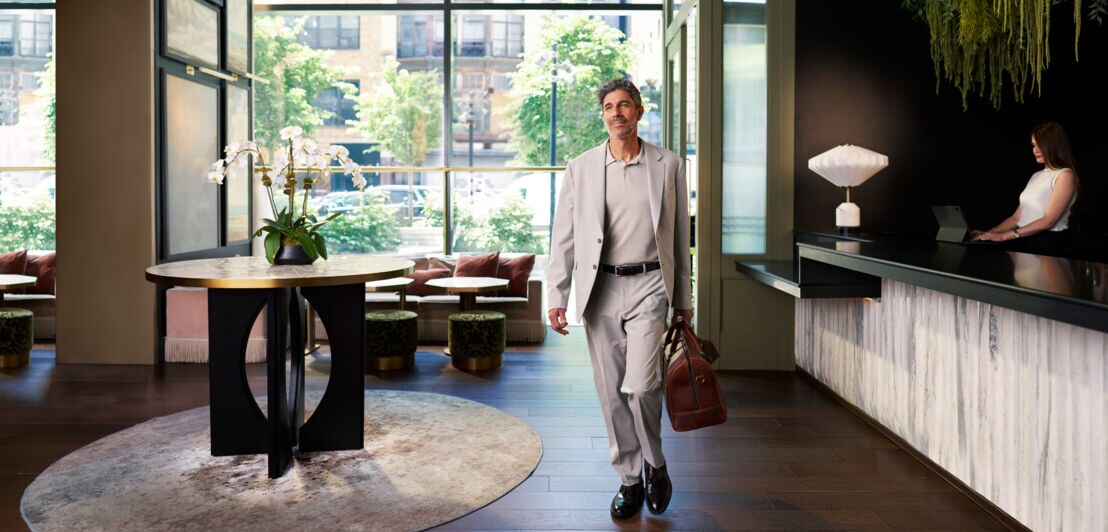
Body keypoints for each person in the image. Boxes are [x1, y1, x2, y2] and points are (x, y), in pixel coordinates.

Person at [546, 78, 693, 520]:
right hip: (601, 290)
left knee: (643, 384)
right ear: (604, 115)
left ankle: (656, 463)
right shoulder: (582, 167)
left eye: (625, 105)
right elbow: (564, 238)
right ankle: (630, 478)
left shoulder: (668, 165)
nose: (617, 113)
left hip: (651, 286)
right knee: (611, 392)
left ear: (639, 111)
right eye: (609, 106)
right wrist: (557, 294)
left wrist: (683, 301)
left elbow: (680, 237)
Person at [971, 122, 1079, 256]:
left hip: (1047, 244)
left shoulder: (1065, 175)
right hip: (1023, 239)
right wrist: (991, 232)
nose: (1035, 150)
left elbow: (1049, 221)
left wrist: (1005, 236)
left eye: (1040, 144)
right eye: (1034, 145)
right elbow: (1017, 218)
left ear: (1054, 144)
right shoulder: (1037, 176)